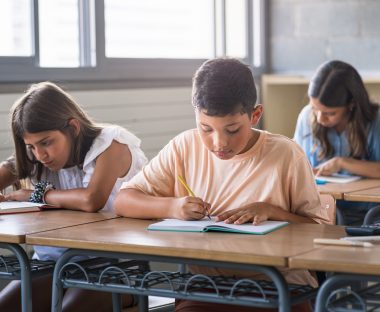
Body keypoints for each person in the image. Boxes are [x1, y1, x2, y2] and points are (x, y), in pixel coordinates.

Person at [114, 58, 331, 312]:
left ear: (256, 115)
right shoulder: (184, 147)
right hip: (208, 288)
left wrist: (272, 211)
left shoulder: (286, 154)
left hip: (280, 288)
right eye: (206, 128)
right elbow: (123, 200)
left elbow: (320, 234)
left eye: (232, 129)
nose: (219, 143)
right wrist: (171, 207)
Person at [0, 82, 147, 312]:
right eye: (31, 146)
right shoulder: (38, 156)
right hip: (51, 264)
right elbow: (8, 169)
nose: (40, 155)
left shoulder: (111, 143)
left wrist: (36, 195)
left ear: (73, 127)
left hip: (115, 265)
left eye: (46, 142)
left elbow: (91, 200)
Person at [294, 60, 380, 223]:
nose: (320, 118)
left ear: (352, 105)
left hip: (369, 213)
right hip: (319, 211)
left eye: (330, 113)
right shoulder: (306, 117)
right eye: (315, 109)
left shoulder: (375, 121)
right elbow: (296, 162)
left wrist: (343, 163)